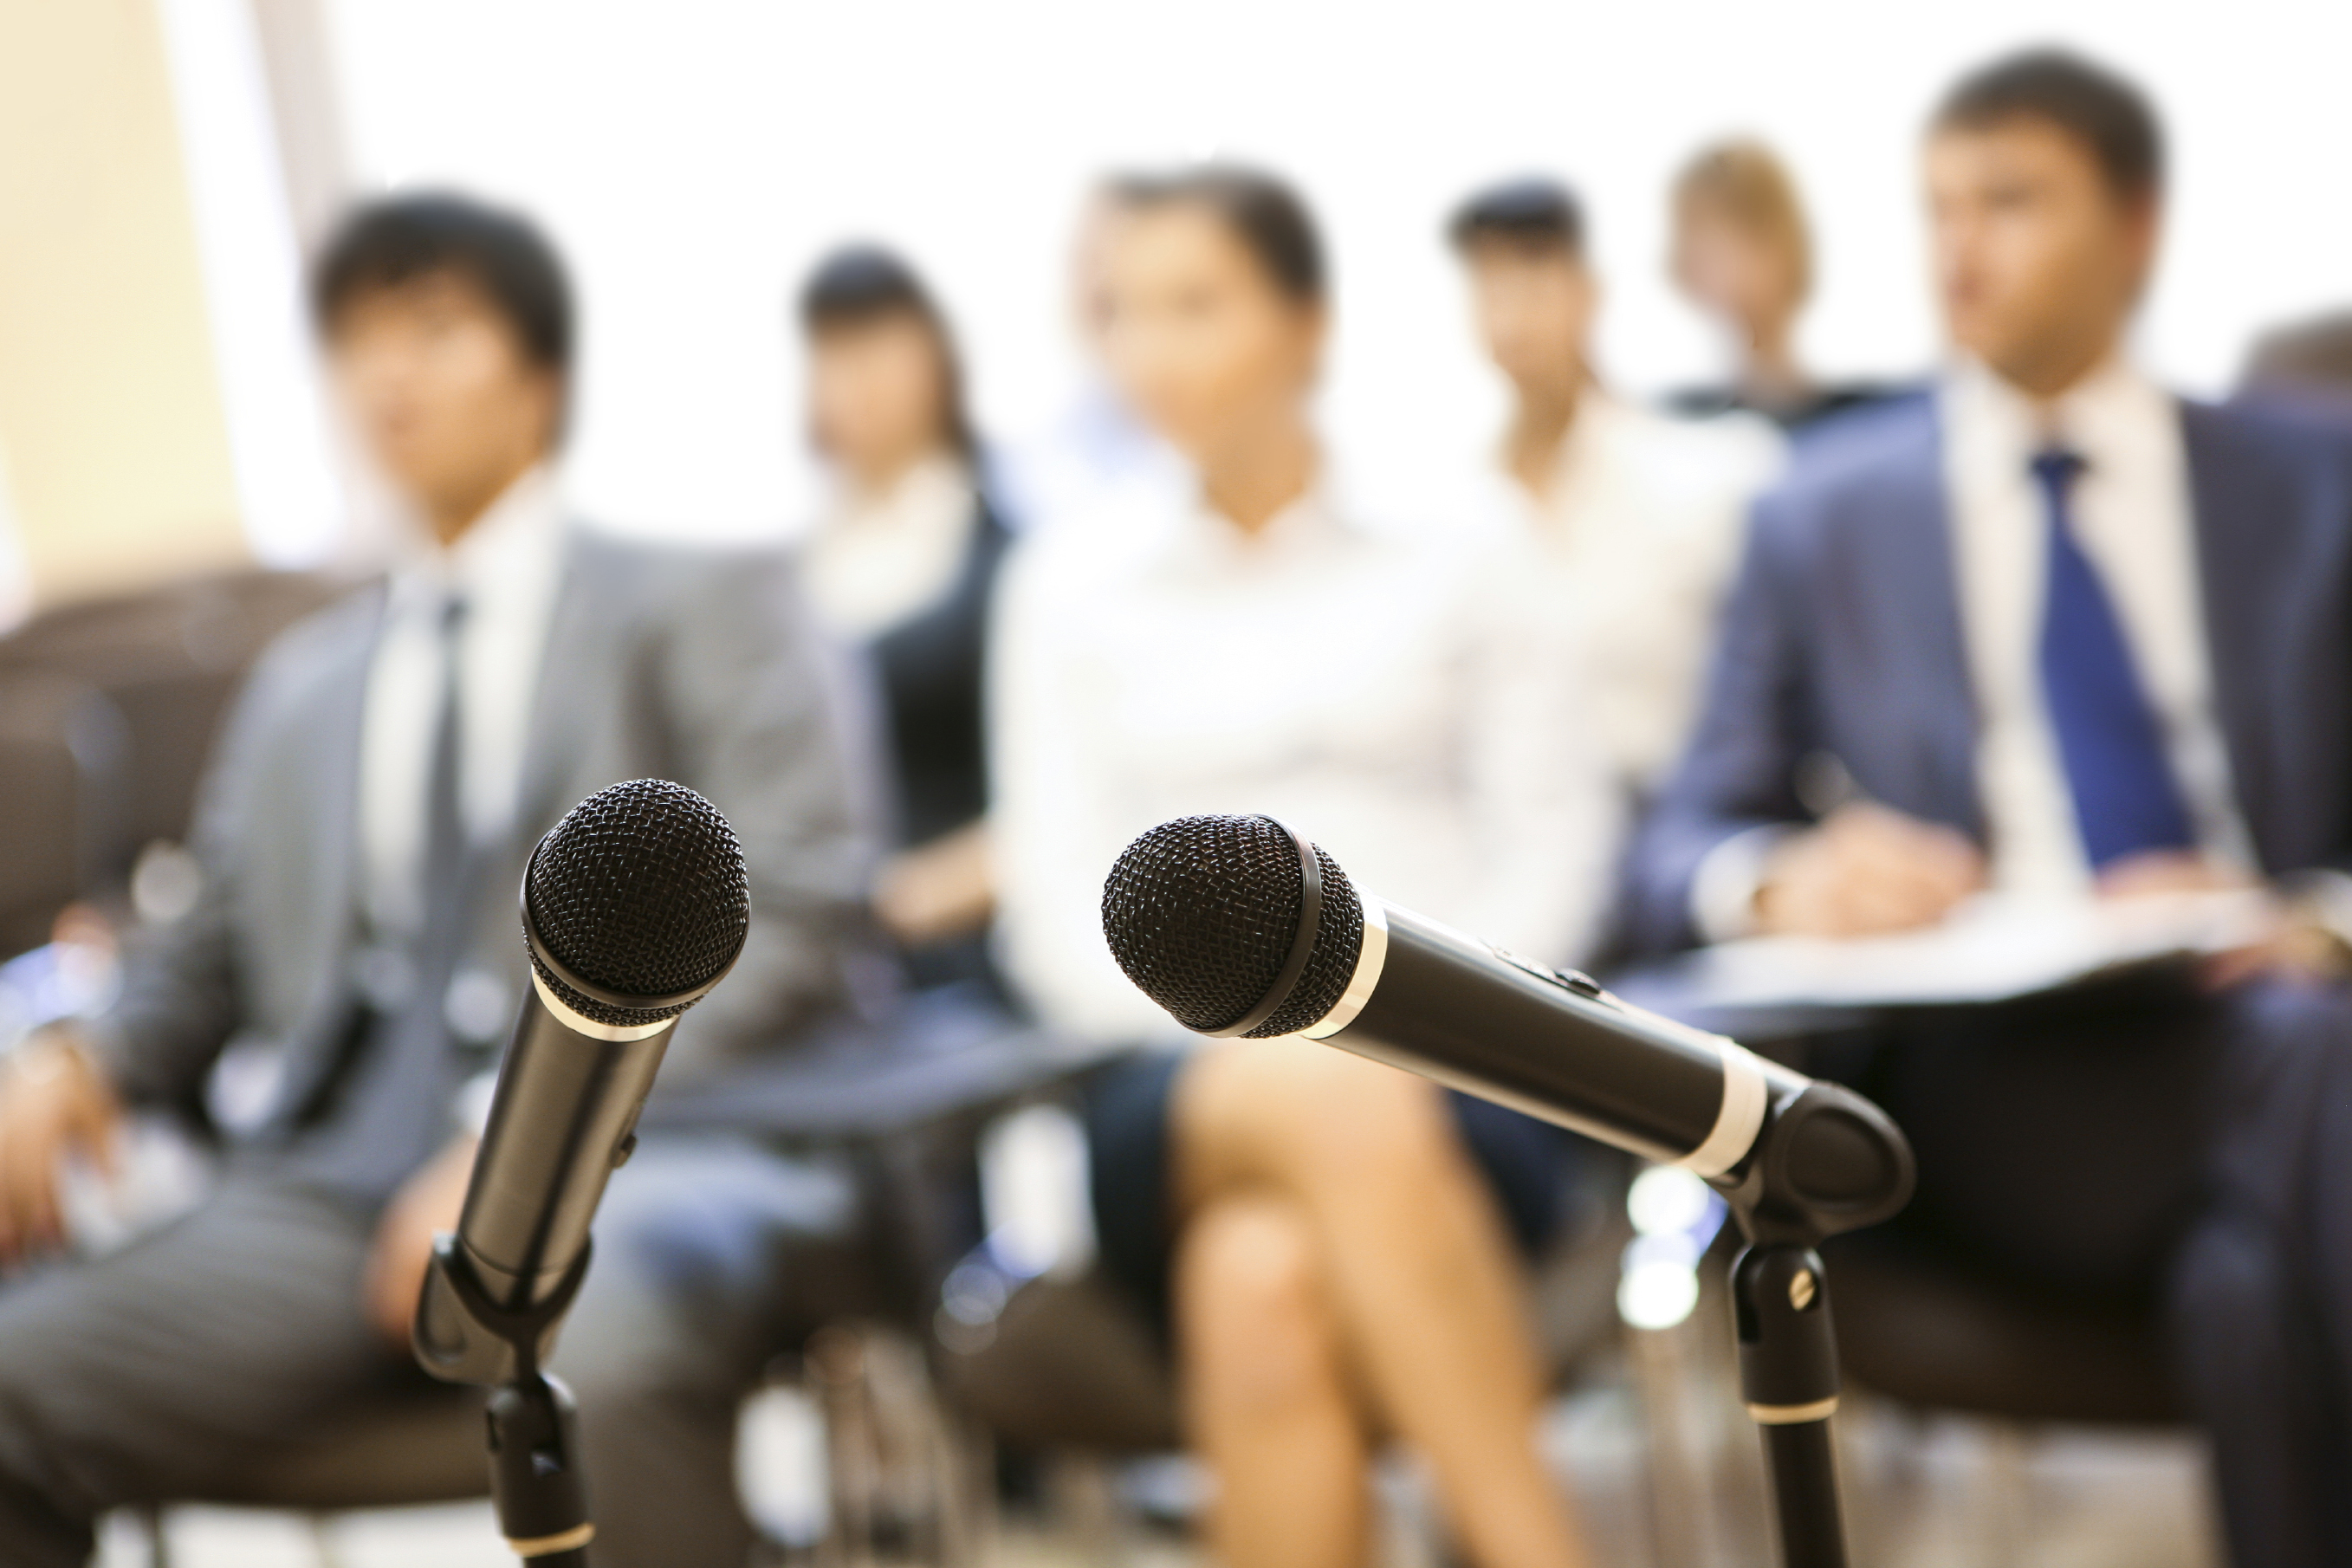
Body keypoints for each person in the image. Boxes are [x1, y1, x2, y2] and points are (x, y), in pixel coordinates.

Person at [0, 194, 887, 1568]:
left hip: (647, 1149)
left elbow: (795, 915)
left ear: (539, 372)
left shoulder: (708, 600)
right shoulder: (302, 681)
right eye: (355, 339)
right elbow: (213, 944)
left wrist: (521, 1144)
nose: (386, 372)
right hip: (331, 1184)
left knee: (608, 1329)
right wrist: (79, 1057)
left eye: (433, 327)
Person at [1615, 52, 2352, 1567]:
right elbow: (1671, 853)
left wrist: (2312, 924)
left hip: (2276, 1020)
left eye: (2010, 201)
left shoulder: (2311, 480)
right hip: (1999, 1085)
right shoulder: (1822, 513)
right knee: (2312, 1073)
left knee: (2244, 1280)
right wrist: (1782, 881)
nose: (1958, 248)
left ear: (2137, 224)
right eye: (1936, 208)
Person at [993, 165, 1611, 1568]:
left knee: (1259, 1285)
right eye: (1123, 314)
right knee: (1307, 1094)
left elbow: (1555, 841)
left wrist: (1431, 1026)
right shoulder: (1067, 586)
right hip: (1174, 1092)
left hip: (1465, 1069)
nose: (1149, 352)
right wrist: (1267, 1056)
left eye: (1194, 305)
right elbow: (1054, 919)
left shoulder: (1467, 542)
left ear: (1308, 325)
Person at [1448, 177, 1781, 799]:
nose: (1511, 313)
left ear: (1587, 291)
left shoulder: (1711, 475)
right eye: (1488, 285)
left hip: (1666, 818)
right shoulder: (1455, 509)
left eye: (1533, 277)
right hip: (1501, 835)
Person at [796, 244, 1009, 998]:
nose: (857, 382)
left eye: (878, 347)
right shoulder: (792, 563)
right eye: (832, 354)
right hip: (808, 949)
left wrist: (909, 900)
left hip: (959, 948)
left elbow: (1054, 794)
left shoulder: (1009, 559)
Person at [1663, 140, 1889, 431]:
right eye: (1706, 248)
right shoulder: (1679, 420)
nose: (1731, 267)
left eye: (1746, 240)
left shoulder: (1867, 416)